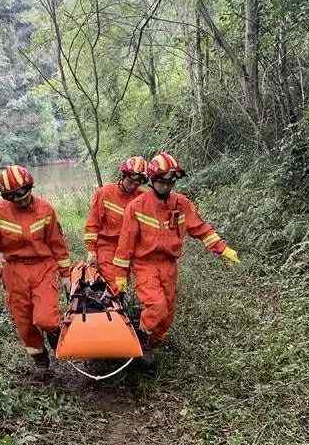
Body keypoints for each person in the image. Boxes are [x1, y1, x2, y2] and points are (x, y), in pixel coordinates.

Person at [112, 152, 241, 366]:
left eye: (171, 182)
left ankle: (151, 345)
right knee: (157, 307)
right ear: (153, 180)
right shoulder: (137, 206)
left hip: (169, 265)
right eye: (162, 182)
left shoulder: (181, 204)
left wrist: (223, 249)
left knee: (167, 314)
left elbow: (201, 229)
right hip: (146, 265)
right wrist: (120, 276)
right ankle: (141, 343)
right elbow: (125, 244)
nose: (167, 186)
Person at [0, 165, 72, 372]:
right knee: (25, 324)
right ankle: (41, 363)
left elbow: (58, 245)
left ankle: (55, 333)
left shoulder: (45, 210)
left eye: (21, 193)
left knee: (46, 318)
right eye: (11, 196)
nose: (18, 199)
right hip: (14, 272)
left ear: (30, 187)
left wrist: (66, 275)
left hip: (42, 268)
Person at [83, 156, 148, 292]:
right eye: (131, 181)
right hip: (107, 248)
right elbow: (92, 225)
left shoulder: (142, 196)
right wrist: (91, 251)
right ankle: (115, 304)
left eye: (137, 184)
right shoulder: (105, 193)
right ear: (124, 175)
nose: (133, 186)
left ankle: (119, 305)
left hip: (129, 250)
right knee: (116, 285)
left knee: (123, 284)